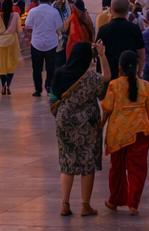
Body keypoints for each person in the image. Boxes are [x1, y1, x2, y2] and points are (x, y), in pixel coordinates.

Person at [99, 45, 149, 215]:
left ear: (120, 67)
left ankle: (114, 200)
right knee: (137, 169)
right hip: (141, 132)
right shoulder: (145, 85)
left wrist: (100, 128)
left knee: (116, 168)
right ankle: (133, 204)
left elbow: (106, 109)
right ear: (137, 67)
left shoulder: (114, 85)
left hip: (117, 134)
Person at [51, 41, 105, 216]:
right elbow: (106, 81)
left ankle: (65, 204)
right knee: (87, 162)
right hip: (88, 124)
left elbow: (53, 98)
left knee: (67, 162)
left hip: (64, 122)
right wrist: (102, 55)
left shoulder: (60, 73)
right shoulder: (91, 77)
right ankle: (85, 205)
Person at [26, 0, 65, 97]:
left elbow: (28, 24)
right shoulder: (54, 12)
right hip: (50, 43)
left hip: (36, 43)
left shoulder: (33, 11)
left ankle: (37, 89)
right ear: (49, 0)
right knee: (50, 67)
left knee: (36, 68)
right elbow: (59, 25)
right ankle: (49, 87)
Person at [0, 0, 21, 96]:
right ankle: (8, 85)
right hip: (12, 42)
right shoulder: (16, 15)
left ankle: (3, 85)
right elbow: (19, 29)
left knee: (1, 65)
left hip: (0, 43)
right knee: (11, 65)